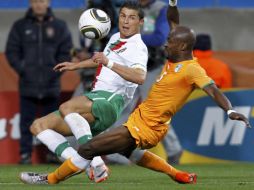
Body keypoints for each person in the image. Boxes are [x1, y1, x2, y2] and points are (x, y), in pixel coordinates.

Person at [20, 0, 251, 185]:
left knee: (88, 148)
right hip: (137, 120)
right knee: (128, 153)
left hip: (144, 125)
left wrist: (230, 110)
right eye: (123, 16)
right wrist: (172, 3)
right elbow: (173, 23)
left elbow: (211, 89)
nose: (164, 44)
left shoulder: (191, 68)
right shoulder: (172, 55)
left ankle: (50, 179)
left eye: (169, 42)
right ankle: (176, 174)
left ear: (181, 46)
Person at [19, 0, 148, 183]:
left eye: (132, 18)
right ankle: (84, 165)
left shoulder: (138, 47)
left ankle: (95, 162)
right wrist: (75, 65)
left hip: (110, 101)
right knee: (38, 126)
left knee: (67, 107)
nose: (126, 21)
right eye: (123, 16)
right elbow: (101, 59)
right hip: (95, 99)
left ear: (140, 22)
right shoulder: (116, 38)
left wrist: (108, 62)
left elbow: (140, 76)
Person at [107, 0, 183, 165]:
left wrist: (131, 35)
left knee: (155, 111)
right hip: (130, 67)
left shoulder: (161, 9)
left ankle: (174, 149)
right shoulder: (129, 8)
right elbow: (114, 32)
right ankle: (116, 154)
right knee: (121, 108)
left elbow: (159, 37)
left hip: (152, 68)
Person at [5, 0, 73, 164]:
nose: (39, 5)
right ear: (30, 3)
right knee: (26, 123)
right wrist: (23, 69)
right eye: (35, 1)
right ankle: (25, 155)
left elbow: (66, 51)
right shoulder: (20, 26)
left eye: (42, 1)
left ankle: (52, 154)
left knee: (54, 123)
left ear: (48, 3)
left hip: (51, 85)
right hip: (28, 84)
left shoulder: (60, 26)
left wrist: (56, 72)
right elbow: (12, 51)